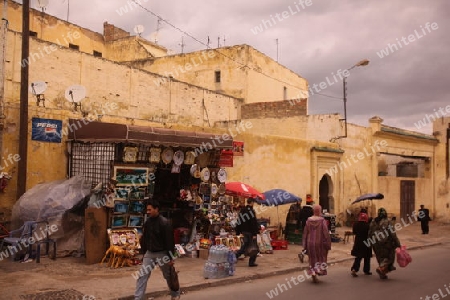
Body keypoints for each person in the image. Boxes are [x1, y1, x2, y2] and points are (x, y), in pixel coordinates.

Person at [134, 200, 181, 300]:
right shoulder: (147, 223)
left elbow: (170, 242)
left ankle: (175, 294)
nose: (148, 212)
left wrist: (171, 258)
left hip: (162, 254)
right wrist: (143, 253)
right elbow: (145, 238)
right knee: (142, 275)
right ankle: (138, 298)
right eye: (147, 210)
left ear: (156, 209)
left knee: (168, 275)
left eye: (150, 210)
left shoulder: (165, 223)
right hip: (149, 253)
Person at [368, 207, 401, 280]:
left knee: (380, 257)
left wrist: (369, 242)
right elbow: (392, 234)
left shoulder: (373, 221)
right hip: (385, 243)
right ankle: (381, 268)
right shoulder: (388, 221)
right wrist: (397, 243)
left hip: (375, 242)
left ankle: (383, 274)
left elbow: (369, 232)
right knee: (389, 258)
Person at [302, 204, 331, 283]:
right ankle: (318, 271)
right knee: (320, 258)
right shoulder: (322, 221)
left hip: (310, 243)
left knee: (312, 259)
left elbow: (305, 233)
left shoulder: (308, 220)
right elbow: (326, 233)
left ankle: (313, 274)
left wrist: (304, 245)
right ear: (320, 211)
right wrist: (328, 244)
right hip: (319, 243)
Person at [234, 197, 260, 267]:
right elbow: (253, 223)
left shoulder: (242, 210)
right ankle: (251, 262)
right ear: (251, 203)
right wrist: (255, 233)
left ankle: (235, 256)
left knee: (245, 246)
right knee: (254, 247)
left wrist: (238, 231)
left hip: (244, 231)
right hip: (250, 232)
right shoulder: (251, 211)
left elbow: (239, 221)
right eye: (253, 203)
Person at [350, 212, 372, 277]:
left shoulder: (355, 224)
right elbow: (370, 234)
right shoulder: (368, 225)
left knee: (358, 257)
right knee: (367, 257)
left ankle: (354, 269)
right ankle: (366, 270)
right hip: (366, 242)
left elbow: (354, 232)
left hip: (358, 242)